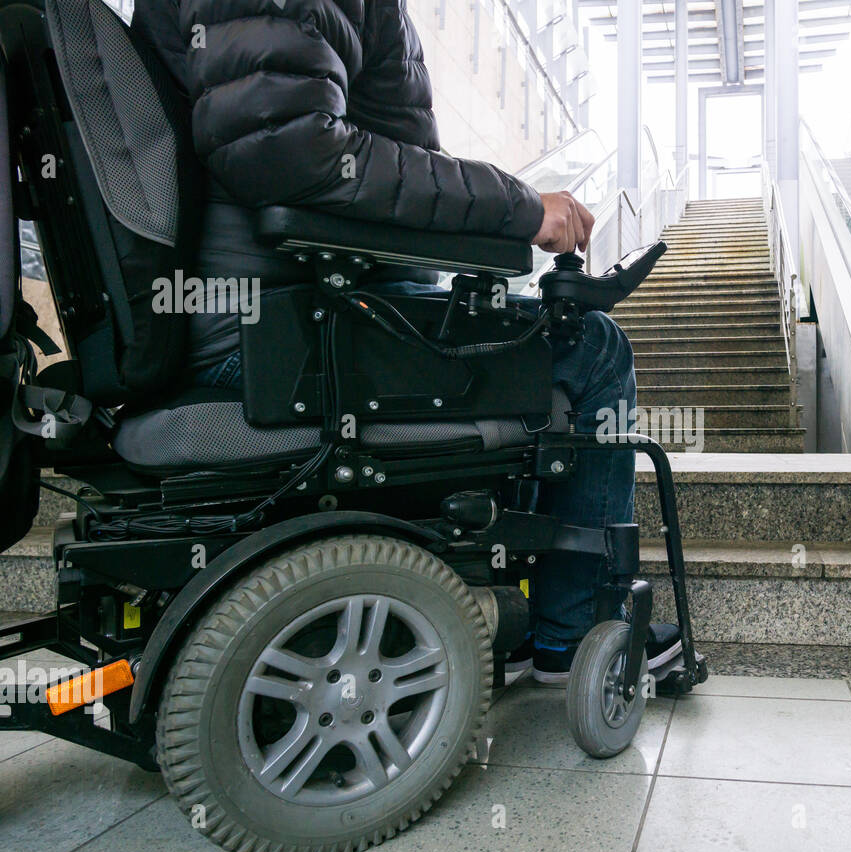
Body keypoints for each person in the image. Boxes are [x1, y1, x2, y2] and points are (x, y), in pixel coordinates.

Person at [132, 0, 681, 683]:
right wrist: (520, 210)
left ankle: (524, 617)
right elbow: (291, 150)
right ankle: (571, 632)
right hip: (281, 331)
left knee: (519, 335)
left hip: (268, 314)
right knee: (590, 347)